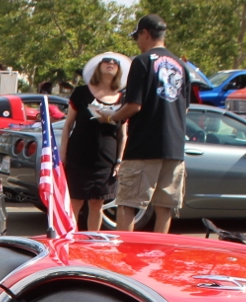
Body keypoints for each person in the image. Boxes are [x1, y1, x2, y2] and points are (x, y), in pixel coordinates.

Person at [106, 14, 191, 234]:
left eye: (137, 37)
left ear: (145, 33)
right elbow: (185, 108)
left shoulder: (142, 61)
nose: (138, 42)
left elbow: (134, 105)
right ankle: (159, 256)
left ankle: (125, 257)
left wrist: (110, 116)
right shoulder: (182, 66)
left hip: (144, 147)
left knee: (128, 204)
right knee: (165, 207)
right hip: (174, 148)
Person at [61, 53, 130, 231]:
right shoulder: (81, 93)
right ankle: (70, 242)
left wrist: (119, 160)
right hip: (79, 156)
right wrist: (63, 154)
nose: (111, 64)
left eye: (115, 63)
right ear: (97, 67)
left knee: (96, 204)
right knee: (75, 203)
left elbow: (123, 133)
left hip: (106, 159)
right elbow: (68, 125)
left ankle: (92, 242)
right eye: (106, 61)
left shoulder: (123, 98)